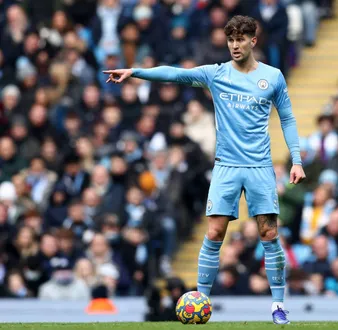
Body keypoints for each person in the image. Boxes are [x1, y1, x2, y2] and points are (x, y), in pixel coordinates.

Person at [104, 15, 305, 324]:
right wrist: (135, 72)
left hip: (260, 167)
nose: (234, 45)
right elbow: (175, 75)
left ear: (253, 40)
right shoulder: (217, 73)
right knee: (213, 232)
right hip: (225, 166)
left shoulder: (273, 77)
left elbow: (288, 119)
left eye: (240, 39)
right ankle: (201, 300)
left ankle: (278, 306)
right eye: (230, 39)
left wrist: (296, 160)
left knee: (269, 233)